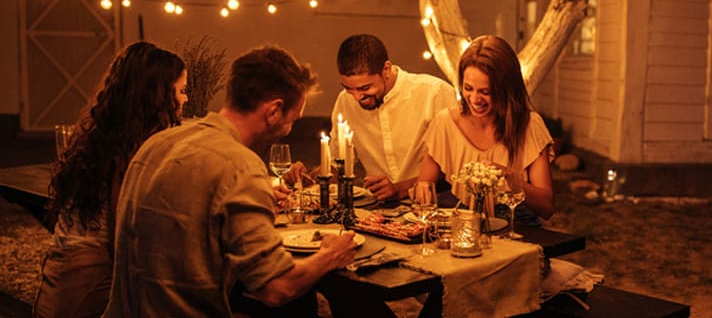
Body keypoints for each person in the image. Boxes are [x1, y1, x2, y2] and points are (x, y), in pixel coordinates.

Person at [103, 46, 357, 317]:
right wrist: (330, 255)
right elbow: (276, 288)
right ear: (273, 111)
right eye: (292, 121)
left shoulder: (159, 142)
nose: (288, 130)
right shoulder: (240, 166)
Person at [34, 42, 188, 318]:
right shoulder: (132, 149)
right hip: (87, 288)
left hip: (59, 277)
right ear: (159, 95)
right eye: (182, 91)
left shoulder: (100, 134)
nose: (186, 99)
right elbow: (126, 232)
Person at [287, 34, 456, 201]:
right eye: (349, 89)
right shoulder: (345, 101)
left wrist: (400, 188)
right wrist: (310, 178)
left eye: (365, 88)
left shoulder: (434, 93)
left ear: (386, 70)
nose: (357, 97)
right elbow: (338, 166)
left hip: (434, 204)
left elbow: (452, 166)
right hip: (377, 208)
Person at [418, 35, 555, 221]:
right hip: (462, 227)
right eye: (468, 88)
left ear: (506, 89)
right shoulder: (446, 122)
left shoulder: (529, 125)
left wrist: (511, 179)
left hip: (517, 228)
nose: (474, 100)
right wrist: (415, 194)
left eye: (485, 92)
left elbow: (546, 207)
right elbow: (424, 188)